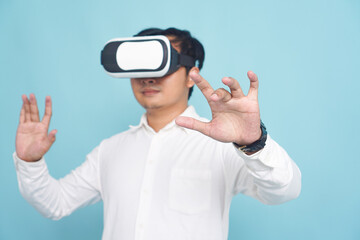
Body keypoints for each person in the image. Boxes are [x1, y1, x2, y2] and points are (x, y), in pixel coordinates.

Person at [14, 27, 301, 240]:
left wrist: (254, 143)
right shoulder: (110, 150)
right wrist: (30, 163)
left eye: (161, 64)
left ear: (192, 73)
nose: (148, 78)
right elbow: (56, 203)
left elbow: (285, 191)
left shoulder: (223, 147)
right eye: (140, 65)